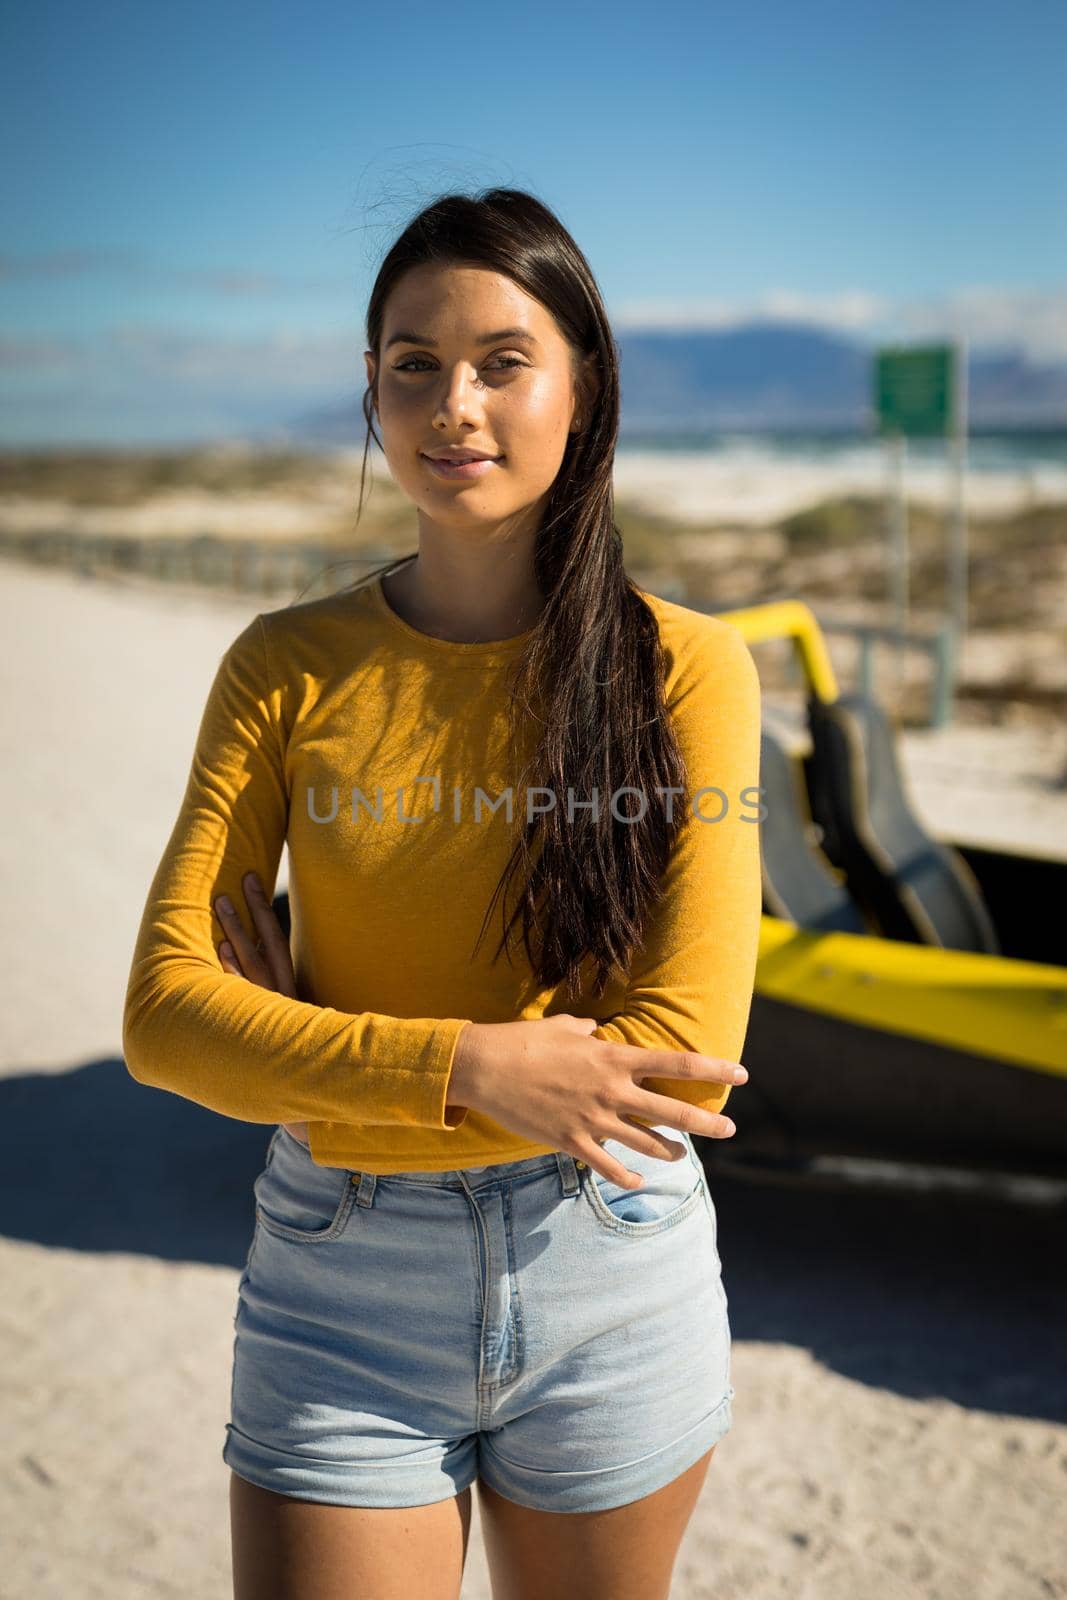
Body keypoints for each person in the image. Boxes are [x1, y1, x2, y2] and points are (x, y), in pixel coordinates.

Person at [122, 186, 763, 1600]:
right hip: (340, 1271)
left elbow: (680, 1058)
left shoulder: (688, 671)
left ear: (584, 387)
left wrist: (315, 1054)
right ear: (370, 387)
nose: (453, 402)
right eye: (413, 363)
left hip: (609, 1259)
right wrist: (472, 1060)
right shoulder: (283, 667)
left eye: (502, 360)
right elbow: (167, 1018)